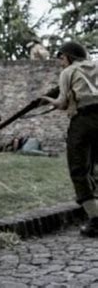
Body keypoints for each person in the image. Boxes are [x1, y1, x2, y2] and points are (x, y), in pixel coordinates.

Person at [41, 41, 98, 237]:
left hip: (83, 120)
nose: (60, 63)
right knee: (94, 166)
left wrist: (47, 99)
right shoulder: (96, 65)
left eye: (62, 58)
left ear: (68, 57)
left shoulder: (68, 72)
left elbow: (63, 104)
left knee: (78, 168)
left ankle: (95, 220)